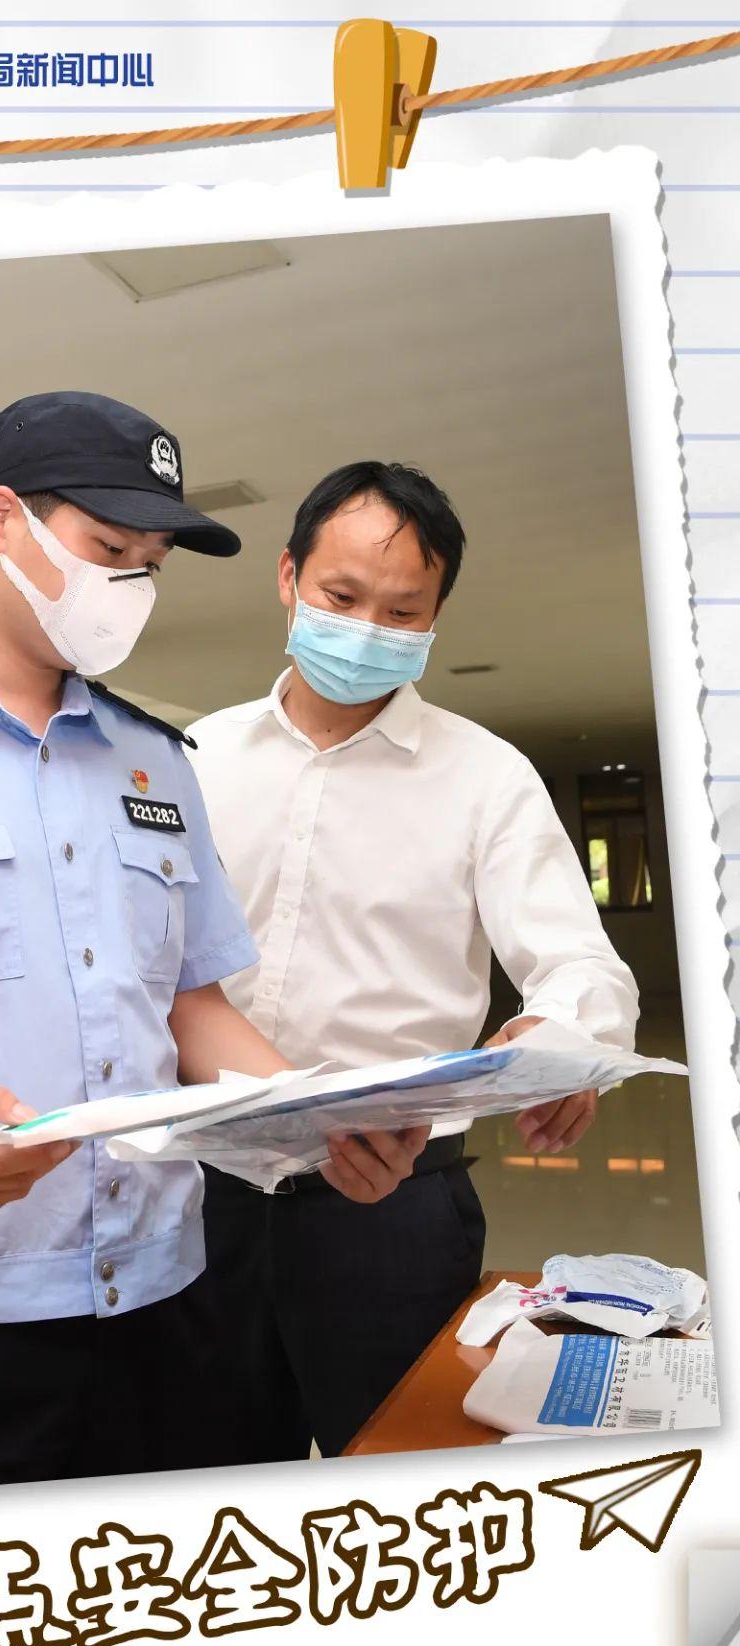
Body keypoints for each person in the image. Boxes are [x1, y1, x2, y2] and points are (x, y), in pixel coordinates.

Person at [0, 394, 421, 1498]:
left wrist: (320, 1116)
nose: (129, 587)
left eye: (150, 564)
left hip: (170, 1305)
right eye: (107, 550)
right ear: (3, 521)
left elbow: (192, 1009)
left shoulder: (157, 762)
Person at [187, 458, 640, 1461]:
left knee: (400, 1483)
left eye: (401, 612)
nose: (366, 631)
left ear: (436, 619)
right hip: (200, 1201)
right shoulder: (196, 759)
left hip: (393, 1206)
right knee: (205, 1486)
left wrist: (560, 1039)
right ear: (287, 577)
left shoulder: (485, 778)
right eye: (342, 597)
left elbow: (582, 963)